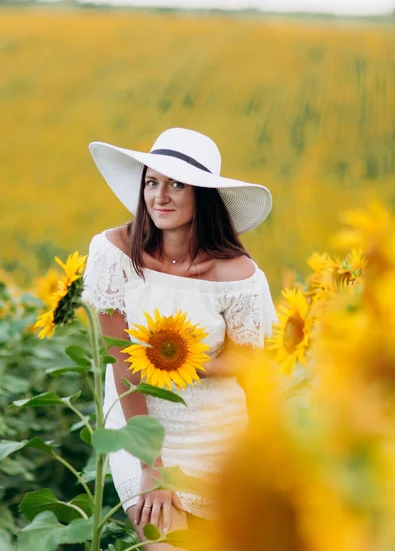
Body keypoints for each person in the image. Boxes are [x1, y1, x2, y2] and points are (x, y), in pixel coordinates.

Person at [82, 127, 278, 550]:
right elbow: (122, 363)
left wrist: (180, 360)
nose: (160, 196)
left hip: (219, 435)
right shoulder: (114, 254)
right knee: (164, 544)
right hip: (141, 428)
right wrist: (152, 465)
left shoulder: (238, 273)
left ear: (203, 195)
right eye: (152, 182)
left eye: (176, 184)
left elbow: (250, 360)